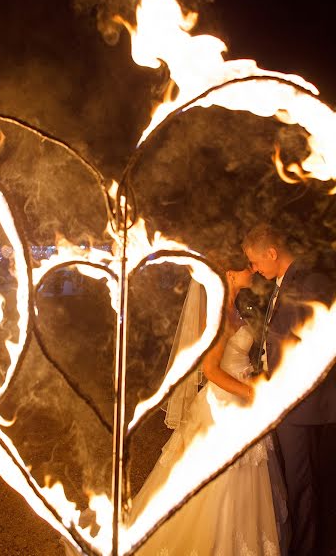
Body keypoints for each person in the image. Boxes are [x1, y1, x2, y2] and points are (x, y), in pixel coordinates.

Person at [127, 251, 286, 556]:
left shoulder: (234, 309)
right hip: (224, 405)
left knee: (246, 477)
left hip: (239, 400)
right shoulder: (216, 314)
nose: (252, 271)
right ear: (229, 274)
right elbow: (211, 371)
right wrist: (251, 392)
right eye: (246, 268)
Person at [243, 223, 336, 556]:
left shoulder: (312, 282)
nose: (254, 269)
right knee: (296, 482)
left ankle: (308, 549)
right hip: (284, 399)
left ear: (272, 253)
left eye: (256, 262)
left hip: (302, 403)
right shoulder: (281, 283)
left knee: (303, 484)